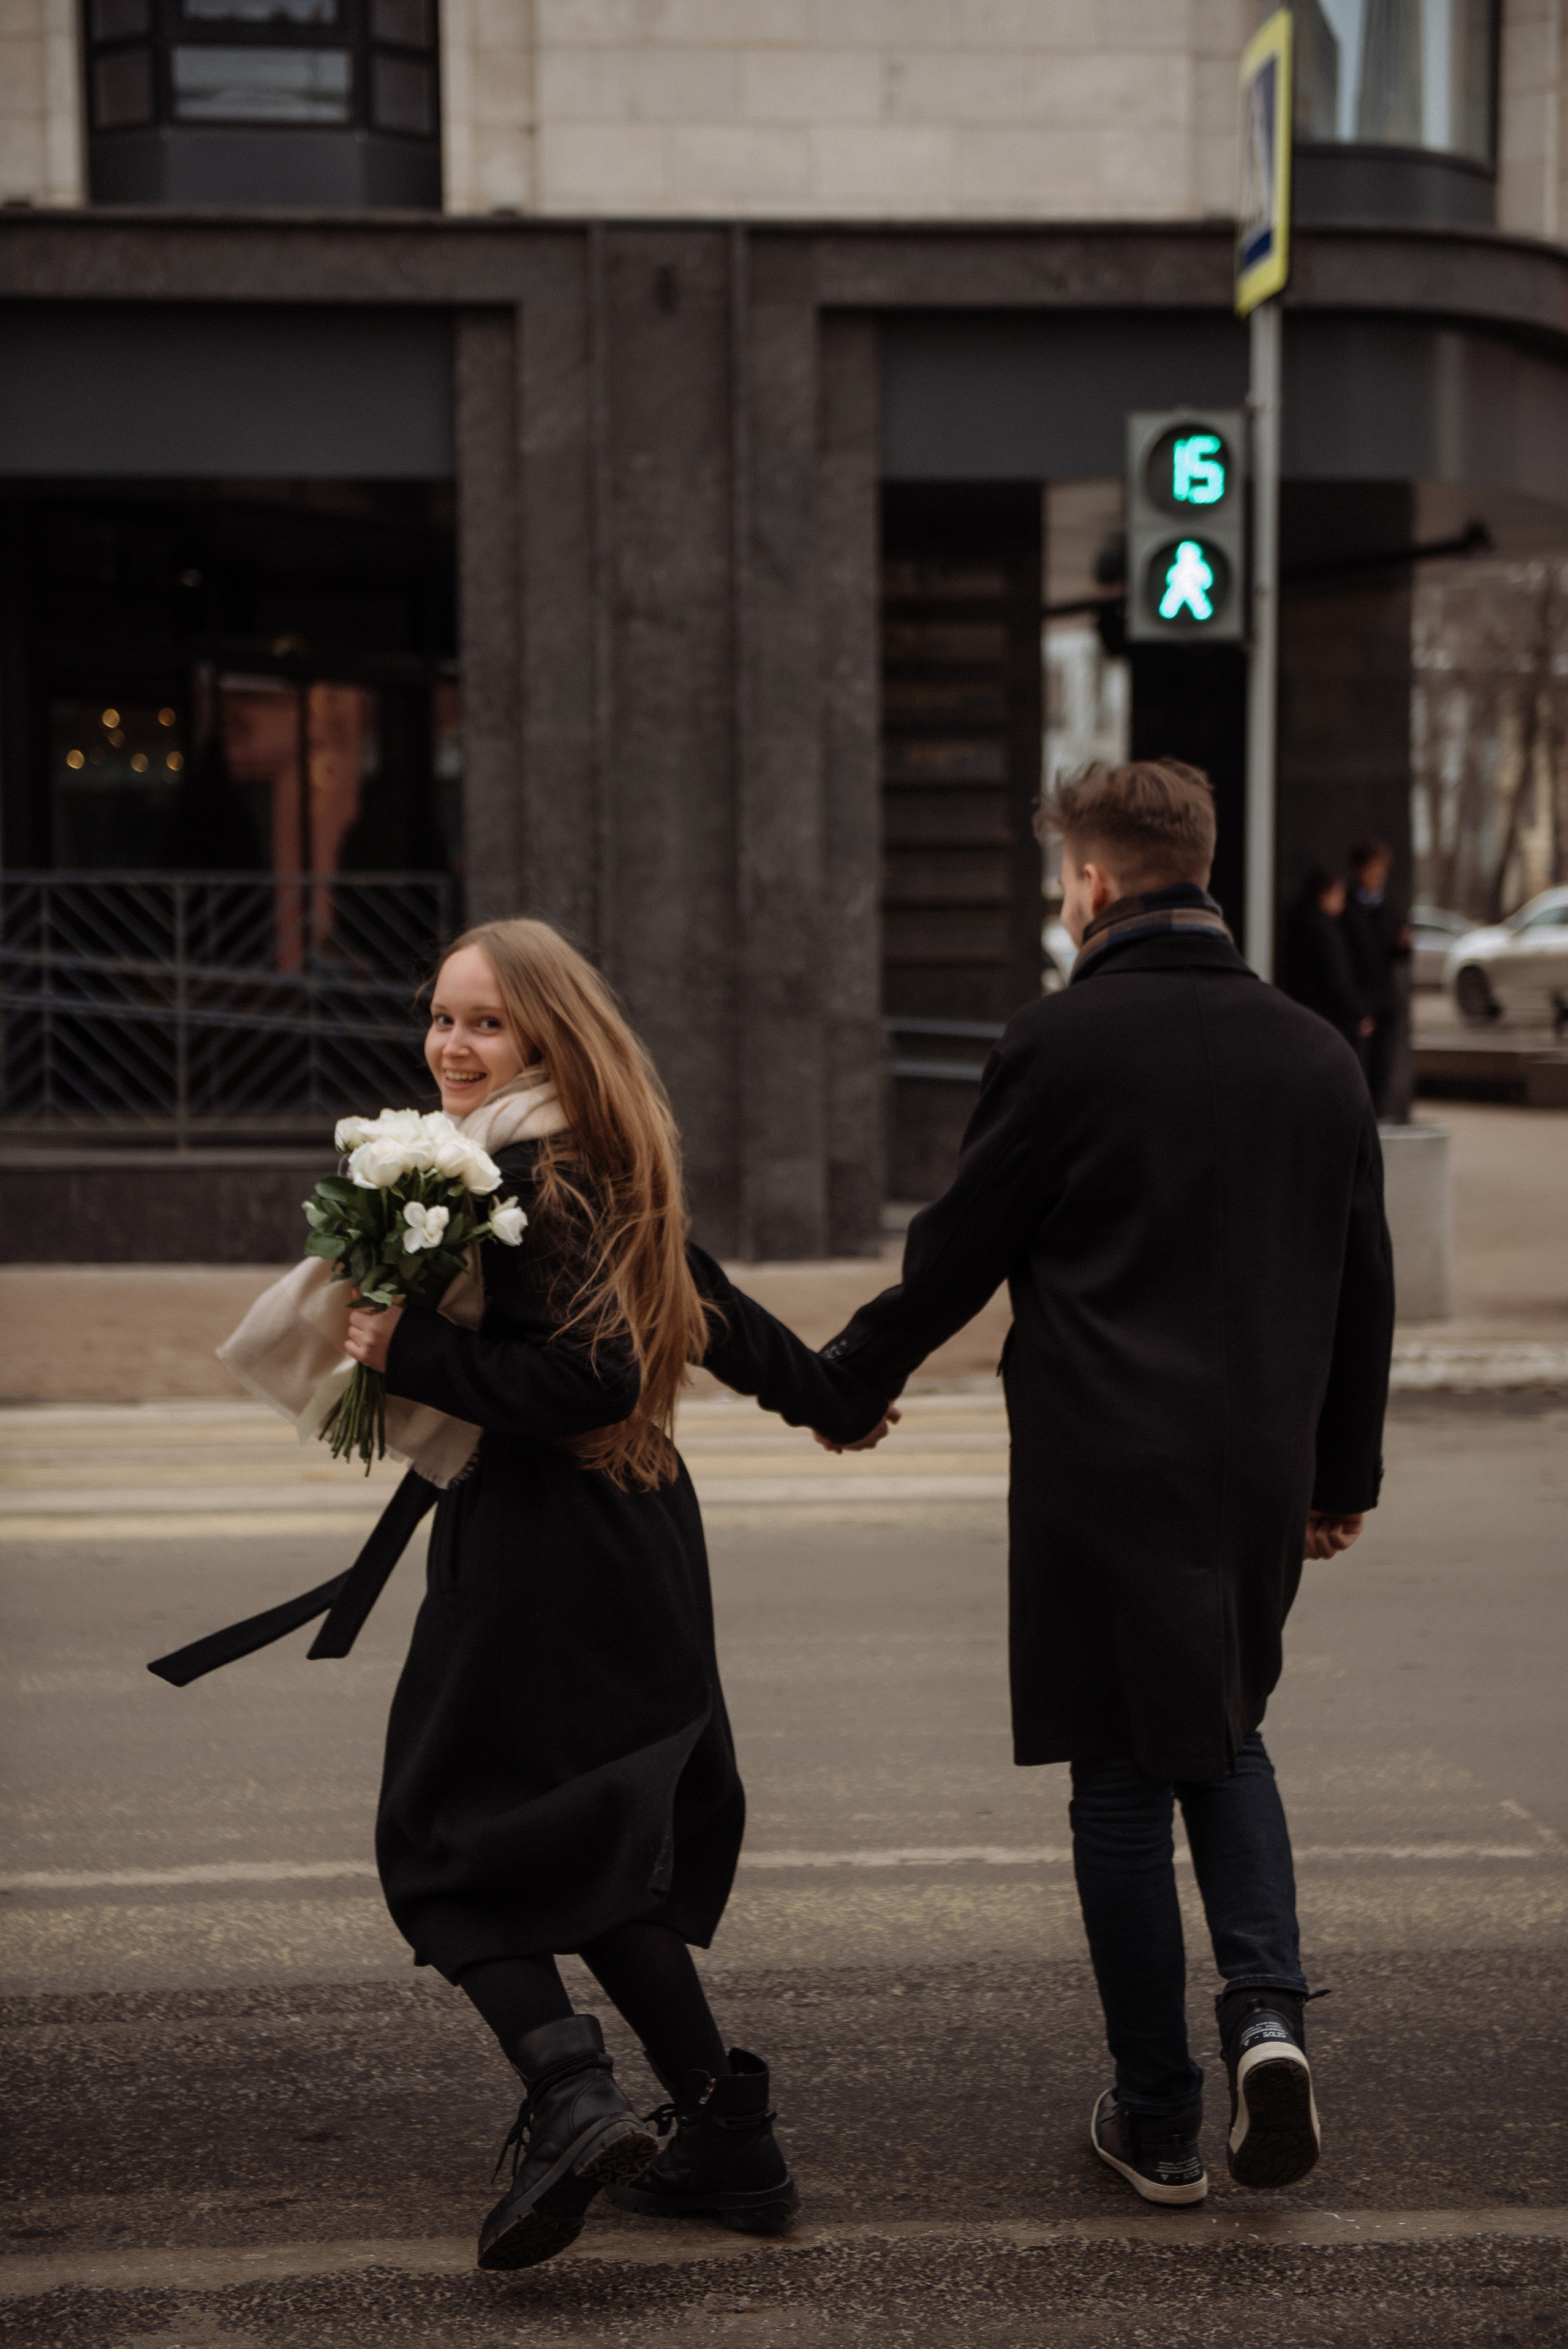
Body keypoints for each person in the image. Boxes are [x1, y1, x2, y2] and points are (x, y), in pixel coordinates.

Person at [155, 917, 892, 2273]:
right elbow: (706, 1305)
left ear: (546, 1035)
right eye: (441, 1017)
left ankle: (568, 2094)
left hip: (551, 1544)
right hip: (636, 1532)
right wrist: (830, 1399)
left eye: (484, 1023)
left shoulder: (531, 1172)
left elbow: (592, 1381)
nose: (452, 1043)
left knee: (441, 1836)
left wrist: (411, 1344)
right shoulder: (597, 1151)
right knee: (590, 1840)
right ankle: (729, 2132)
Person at [814, 762, 1393, 2208]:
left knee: (1118, 1782)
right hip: (1249, 1469)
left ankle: (1153, 2113)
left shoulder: (1058, 1045)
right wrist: (1338, 1472)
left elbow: (958, 1252)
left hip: (1095, 1463)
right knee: (1226, 1733)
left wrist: (844, 1380)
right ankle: (1265, 2019)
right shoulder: (1313, 1053)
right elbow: (1361, 1289)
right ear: (1194, 864)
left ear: (1088, 882)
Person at [1340, 838, 1412, 1118]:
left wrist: (1403, 946)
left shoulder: (1388, 908)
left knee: (1383, 1066)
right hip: (1359, 999)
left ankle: (1379, 1119)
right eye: (1373, 870)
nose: (1379, 877)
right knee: (1357, 1066)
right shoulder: (1347, 908)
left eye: (1382, 871)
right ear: (1359, 871)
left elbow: (1394, 953)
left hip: (1385, 1000)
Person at [1280, 867, 1374, 1053]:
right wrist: (1358, 1013)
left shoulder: (1299, 923)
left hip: (1303, 1013)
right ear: (1325, 895)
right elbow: (1336, 978)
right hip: (1328, 1019)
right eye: (1339, 895)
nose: (1343, 901)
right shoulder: (1325, 931)